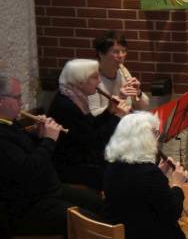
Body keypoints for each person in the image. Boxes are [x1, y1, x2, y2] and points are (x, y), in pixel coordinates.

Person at [0, 73, 104, 239]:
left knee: (97, 203)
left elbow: (20, 150)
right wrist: (49, 141)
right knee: (85, 223)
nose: (22, 103)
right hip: (20, 208)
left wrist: (37, 135)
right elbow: (29, 169)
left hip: (42, 192)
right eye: (18, 97)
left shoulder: (5, 122)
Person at [104, 112, 188, 239]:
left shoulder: (112, 166)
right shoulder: (148, 174)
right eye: (156, 133)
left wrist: (160, 174)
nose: (158, 139)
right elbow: (172, 213)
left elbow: (140, 193)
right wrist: (177, 184)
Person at [49, 58, 131, 190]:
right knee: (120, 171)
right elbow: (94, 141)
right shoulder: (66, 105)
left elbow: (91, 126)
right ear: (79, 81)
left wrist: (109, 111)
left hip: (83, 158)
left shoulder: (76, 98)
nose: (99, 81)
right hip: (69, 166)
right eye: (94, 77)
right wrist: (117, 117)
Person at [89, 31, 150, 117]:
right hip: (109, 128)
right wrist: (119, 99)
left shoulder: (122, 72)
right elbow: (93, 115)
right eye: (116, 52)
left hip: (127, 123)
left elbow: (143, 107)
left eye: (124, 51)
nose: (121, 56)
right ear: (101, 53)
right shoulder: (91, 78)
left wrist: (138, 93)